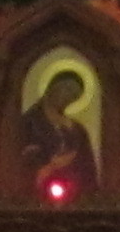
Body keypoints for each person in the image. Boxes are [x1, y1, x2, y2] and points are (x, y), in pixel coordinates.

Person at [21, 66, 101, 194]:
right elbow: (24, 156)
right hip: (37, 192)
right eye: (66, 89)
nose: (68, 97)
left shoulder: (77, 129)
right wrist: (50, 165)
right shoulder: (30, 121)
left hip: (73, 192)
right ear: (52, 87)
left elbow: (87, 168)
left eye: (74, 95)